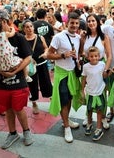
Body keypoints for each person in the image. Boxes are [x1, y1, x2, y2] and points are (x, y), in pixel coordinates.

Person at [0, 9, 34, 149]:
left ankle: (26, 132)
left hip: (18, 82)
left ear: (6, 22)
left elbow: (28, 57)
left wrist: (15, 71)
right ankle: (12, 133)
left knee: (19, 108)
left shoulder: (19, 38)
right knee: (8, 109)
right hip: (0, 82)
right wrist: (1, 70)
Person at [47, 12, 82, 143]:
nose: (74, 25)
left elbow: (78, 54)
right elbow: (48, 55)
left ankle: (66, 120)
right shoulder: (58, 37)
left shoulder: (78, 38)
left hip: (72, 73)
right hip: (61, 73)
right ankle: (67, 127)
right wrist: (63, 55)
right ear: (66, 23)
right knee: (63, 100)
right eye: (72, 23)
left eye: (76, 23)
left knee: (70, 98)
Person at [79, 13, 112, 128]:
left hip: (101, 67)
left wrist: (106, 70)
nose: (91, 23)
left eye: (93, 21)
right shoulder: (84, 37)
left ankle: (102, 116)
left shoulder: (104, 37)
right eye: (89, 21)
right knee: (89, 91)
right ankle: (88, 116)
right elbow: (81, 52)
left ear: (97, 22)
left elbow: (110, 55)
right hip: (88, 67)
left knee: (102, 93)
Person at [0, 15, 32, 83]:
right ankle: (26, 76)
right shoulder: (5, 34)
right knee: (21, 60)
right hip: (8, 59)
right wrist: (12, 28)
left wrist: (0, 70)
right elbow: (12, 33)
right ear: (3, 22)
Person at [23, 20, 52, 114]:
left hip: (42, 64)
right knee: (32, 84)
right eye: (27, 27)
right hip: (30, 66)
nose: (29, 28)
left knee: (46, 82)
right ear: (24, 29)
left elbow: (46, 48)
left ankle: (52, 99)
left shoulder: (40, 37)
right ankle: (34, 103)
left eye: (31, 26)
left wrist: (45, 53)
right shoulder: (22, 40)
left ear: (33, 27)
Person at [81, 46, 110, 141]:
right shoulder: (85, 67)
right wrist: (82, 91)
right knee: (89, 110)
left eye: (96, 56)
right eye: (92, 56)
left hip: (100, 92)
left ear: (99, 56)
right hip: (90, 92)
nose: (94, 58)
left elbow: (104, 75)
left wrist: (109, 72)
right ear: (88, 57)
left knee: (99, 110)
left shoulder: (102, 64)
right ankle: (89, 124)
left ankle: (99, 128)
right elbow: (84, 79)